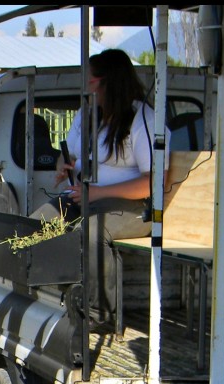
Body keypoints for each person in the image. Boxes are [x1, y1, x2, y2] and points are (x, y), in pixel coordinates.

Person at [32, 49, 170, 324]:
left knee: (90, 233)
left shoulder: (143, 119)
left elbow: (155, 182)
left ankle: (99, 314)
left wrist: (98, 193)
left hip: (135, 207)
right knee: (35, 226)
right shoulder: (87, 114)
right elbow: (68, 154)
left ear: (108, 82)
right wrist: (63, 165)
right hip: (85, 197)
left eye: (90, 80)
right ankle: (49, 299)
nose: (85, 86)